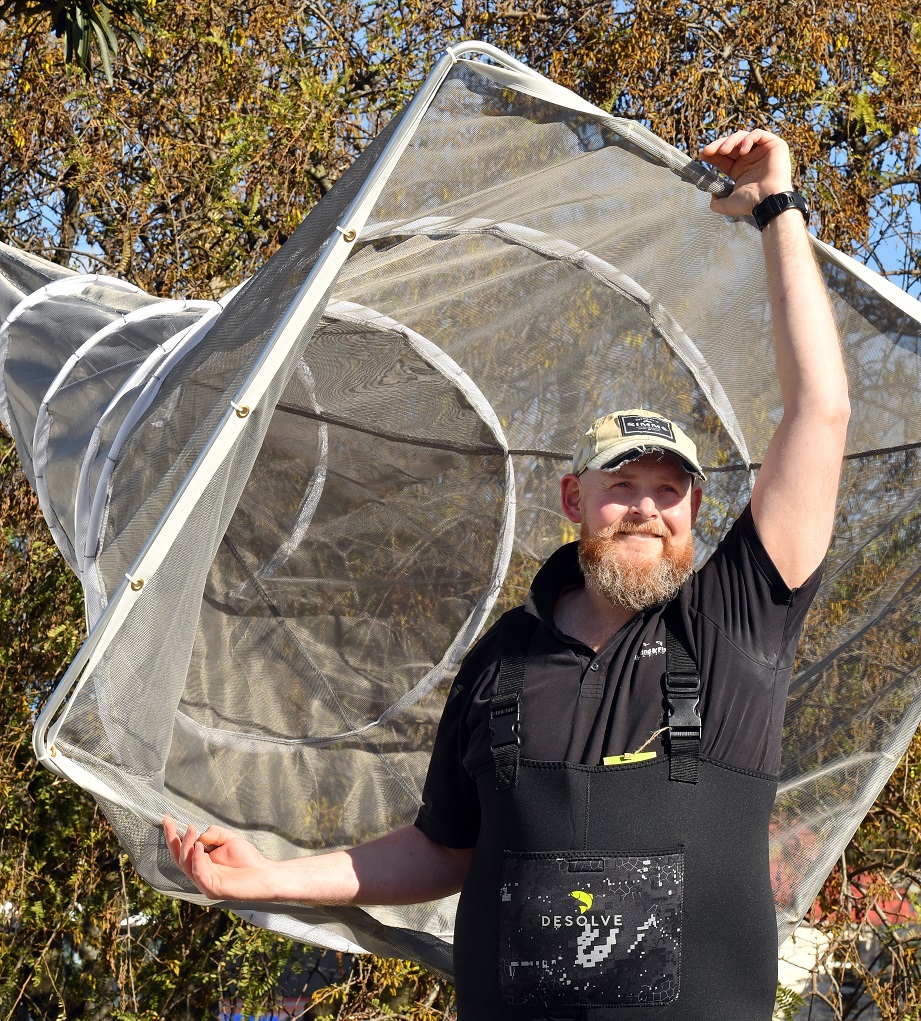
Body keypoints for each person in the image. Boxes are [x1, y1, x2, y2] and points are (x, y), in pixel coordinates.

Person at [164, 129, 849, 1020]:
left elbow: (821, 409)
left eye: (668, 490)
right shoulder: (499, 664)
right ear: (574, 497)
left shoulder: (733, 626)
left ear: (693, 512)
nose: (645, 507)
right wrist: (265, 878)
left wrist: (776, 210)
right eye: (622, 486)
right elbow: (438, 851)